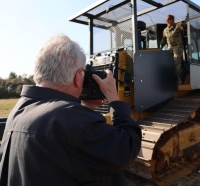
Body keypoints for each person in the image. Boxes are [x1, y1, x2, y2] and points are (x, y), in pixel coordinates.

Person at [0, 34, 142, 186]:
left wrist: (84, 109)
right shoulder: (73, 119)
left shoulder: (20, 109)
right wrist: (114, 99)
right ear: (78, 76)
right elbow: (127, 146)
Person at [160, 14, 185, 84]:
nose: (167, 21)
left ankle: (179, 79)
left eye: (168, 20)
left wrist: (182, 24)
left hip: (177, 47)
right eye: (166, 20)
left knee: (177, 62)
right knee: (168, 63)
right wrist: (160, 47)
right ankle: (170, 79)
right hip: (170, 48)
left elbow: (183, 28)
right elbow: (164, 40)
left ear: (172, 20)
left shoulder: (177, 26)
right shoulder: (165, 30)